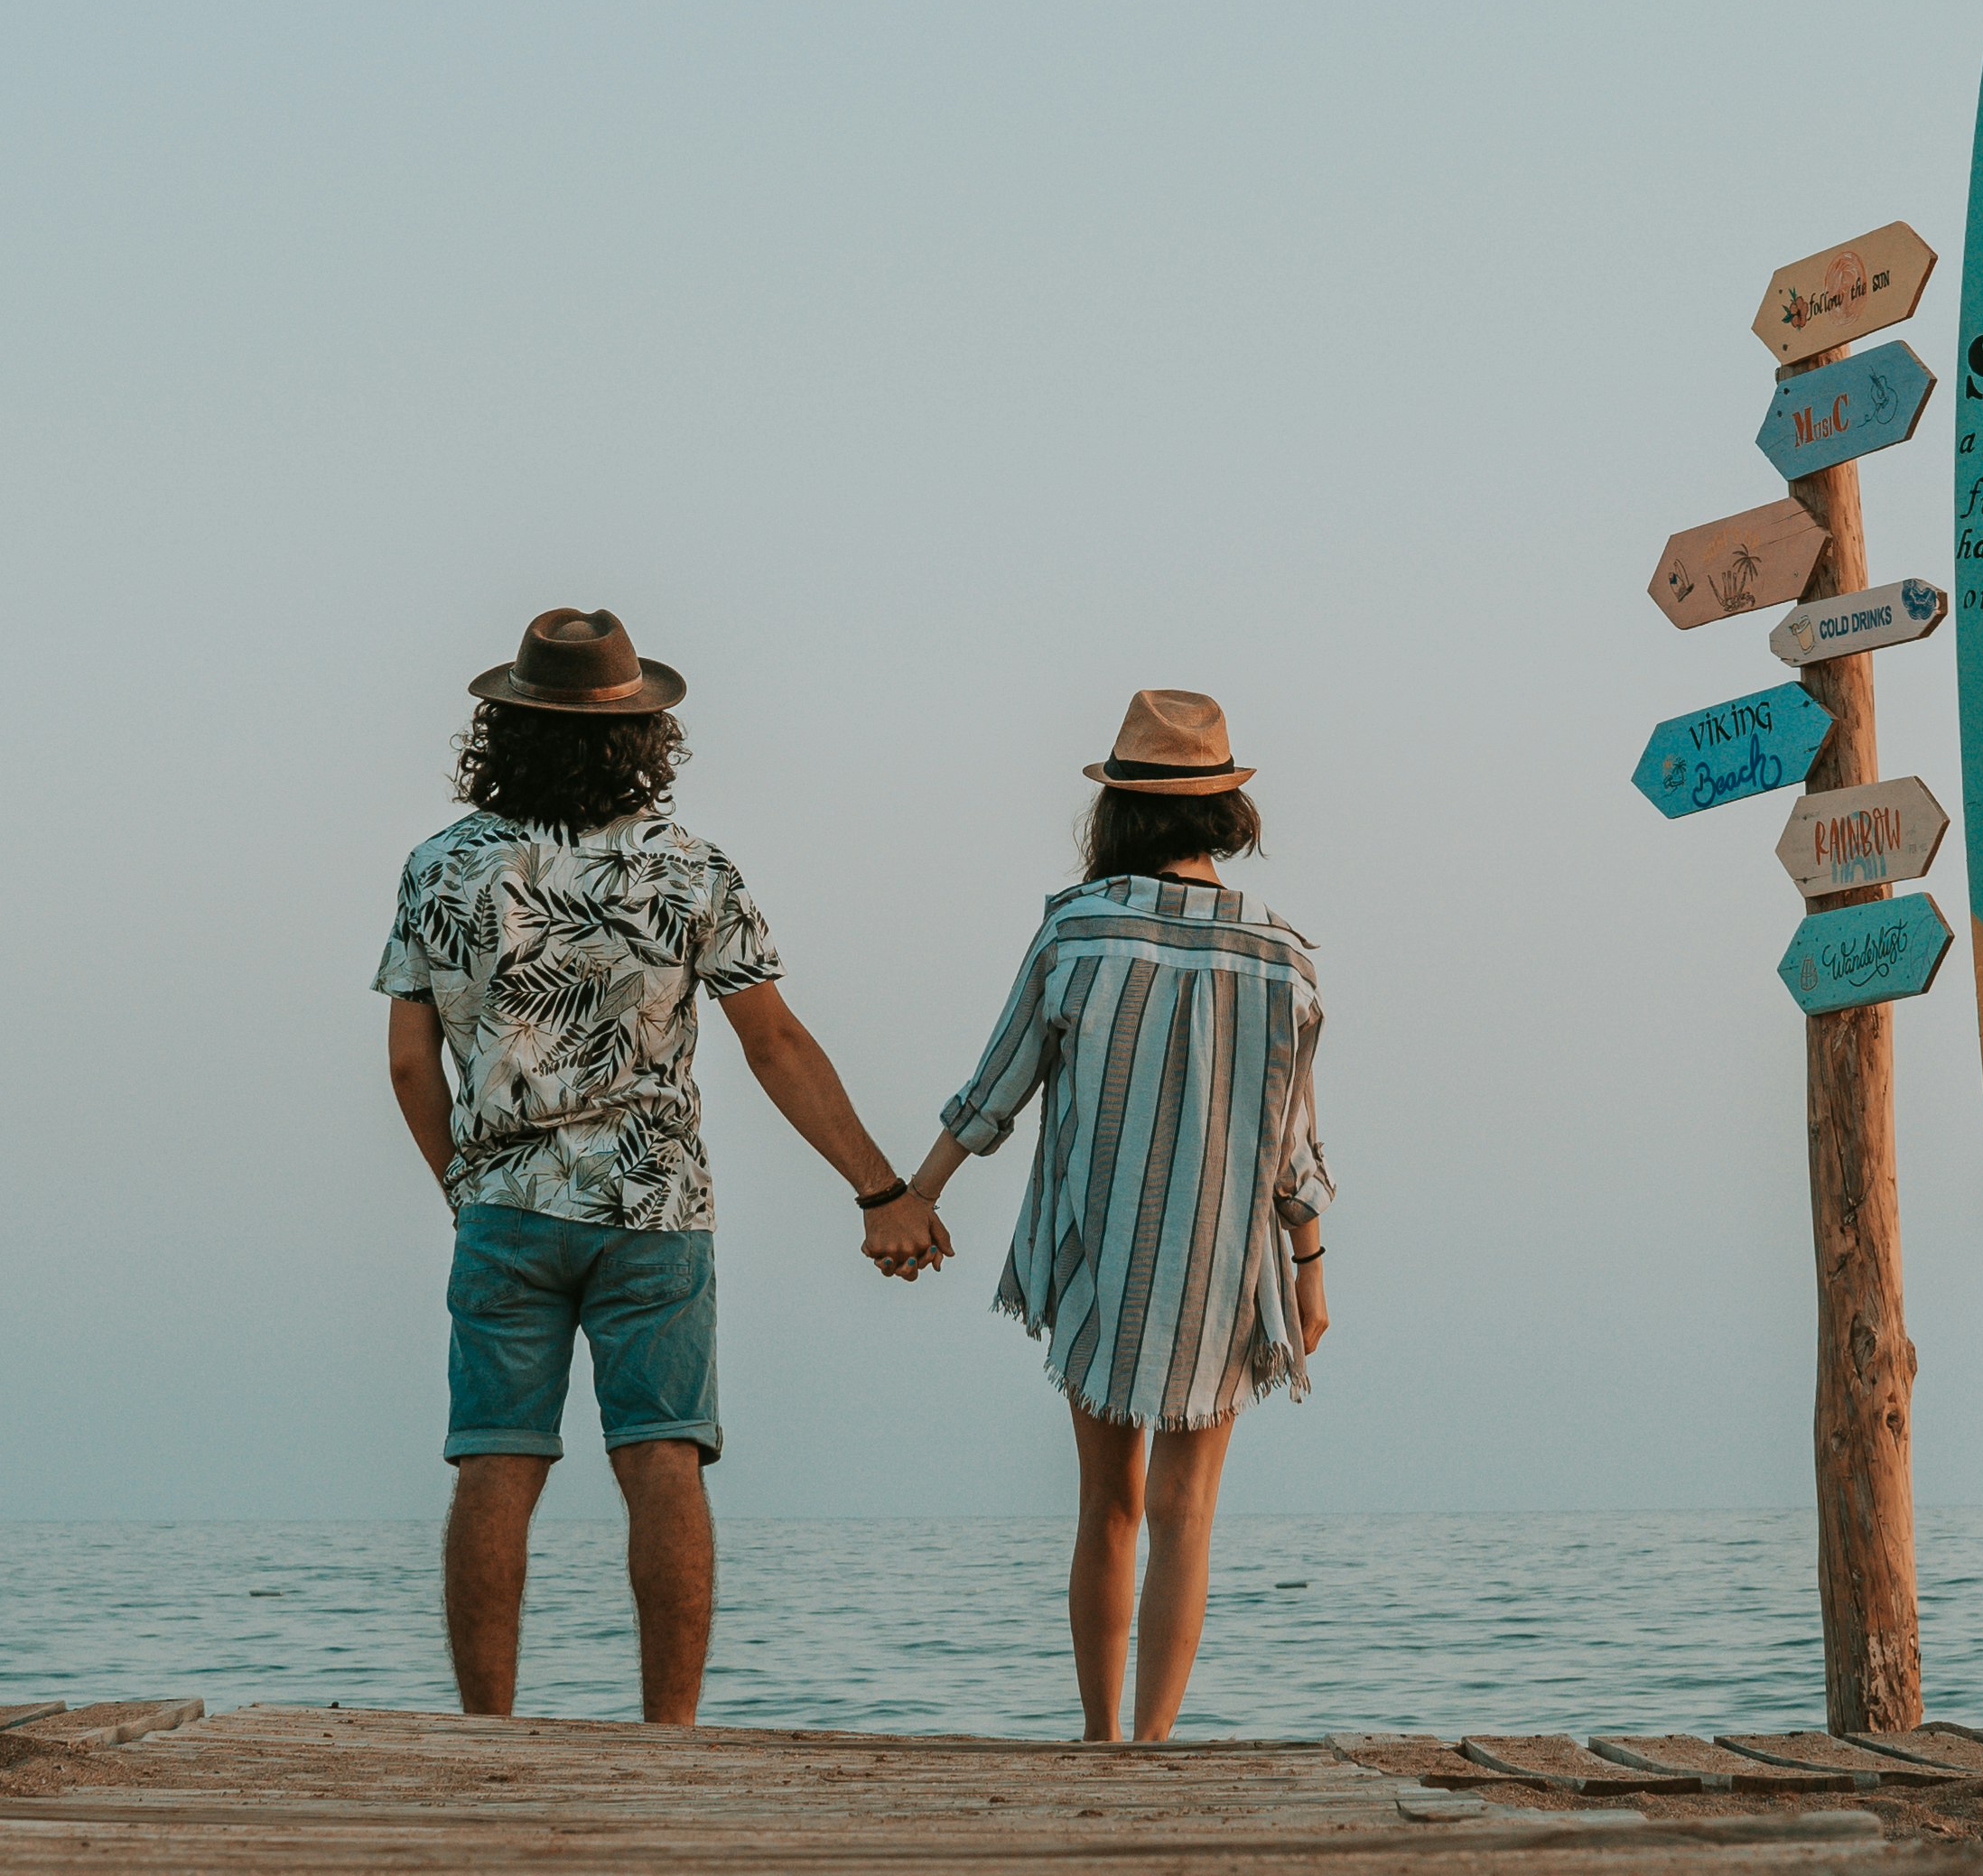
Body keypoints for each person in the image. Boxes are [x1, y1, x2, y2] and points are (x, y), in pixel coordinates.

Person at [379, 606, 951, 1723]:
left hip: (504, 1206)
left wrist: (464, 1183)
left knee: (496, 1461)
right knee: (664, 1458)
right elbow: (774, 1042)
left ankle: (487, 1731)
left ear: (504, 730)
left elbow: (409, 1063)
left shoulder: (440, 866)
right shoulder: (693, 870)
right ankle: (670, 1733)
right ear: (642, 737)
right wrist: (882, 1189)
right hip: (656, 1205)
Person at [899, 689, 1332, 1742]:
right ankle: (1154, 1745)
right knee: (1188, 1517)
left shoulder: (1076, 929)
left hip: (1105, 1255)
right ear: (1229, 811)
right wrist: (1310, 1269)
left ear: (1119, 812)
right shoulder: (1283, 954)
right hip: (1226, 1266)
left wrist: (917, 1193)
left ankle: (1099, 1743)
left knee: (1110, 1506)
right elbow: (1292, 1143)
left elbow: (997, 1084)